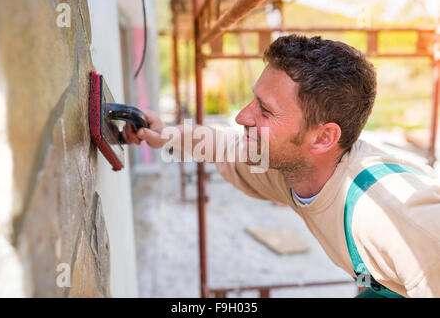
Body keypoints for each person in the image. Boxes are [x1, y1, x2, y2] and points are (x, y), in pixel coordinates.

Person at [123, 34, 440, 298]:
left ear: (322, 138)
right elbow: (224, 145)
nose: (241, 117)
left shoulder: (398, 218)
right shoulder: (292, 169)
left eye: (265, 110)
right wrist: (166, 135)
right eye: (253, 101)